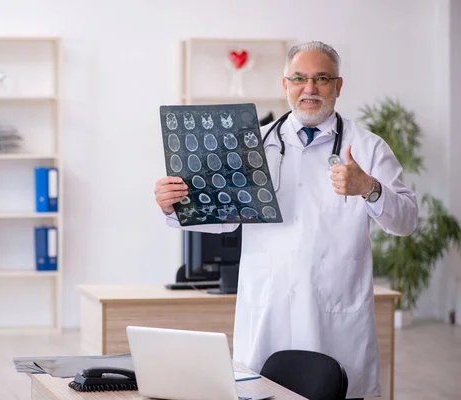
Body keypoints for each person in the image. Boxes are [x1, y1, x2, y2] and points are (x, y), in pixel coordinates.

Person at [154, 41, 418, 399]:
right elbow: (222, 217)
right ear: (285, 85)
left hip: (336, 317)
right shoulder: (252, 145)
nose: (309, 89)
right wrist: (173, 206)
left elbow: (406, 221)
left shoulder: (368, 148)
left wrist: (368, 187)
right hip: (268, 309)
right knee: (261, 393)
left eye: (321, 78)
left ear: (338, 86)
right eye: (299, 78)